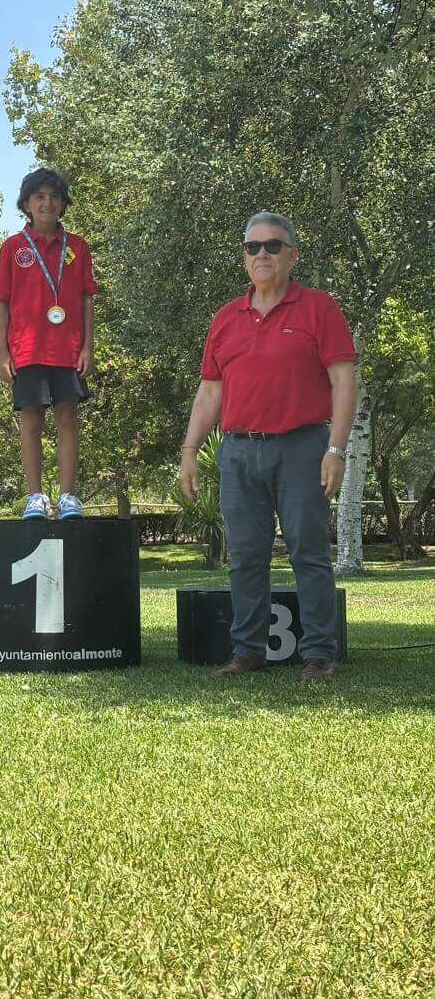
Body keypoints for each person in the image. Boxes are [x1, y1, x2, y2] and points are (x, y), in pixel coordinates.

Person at [179, 212, 357, 681]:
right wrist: (189, 451)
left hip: (303, 448)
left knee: (308, 553)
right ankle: (248, 651)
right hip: (238, 452)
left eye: (273, 246)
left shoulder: (319, 309)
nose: (262, 254)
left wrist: (336, 450)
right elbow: (209, 392)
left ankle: (318, 655)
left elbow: (344, 382)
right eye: (253, 246)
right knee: (245, 557)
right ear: (244, 257)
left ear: (292, 255)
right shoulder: (225, 318)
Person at [0, 168, 97, 519]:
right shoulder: (13, 248)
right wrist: (2, 352)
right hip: (27, 349)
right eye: (39, 197)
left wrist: (88, 347)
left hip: (68, 349)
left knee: (67, 417)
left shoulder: (78, 247)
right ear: (26, 204)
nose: (47, 203)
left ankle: (67, 496)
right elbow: (2, 301)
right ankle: (35, 496)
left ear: (63, 204)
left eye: (54, 197)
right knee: (31, 419)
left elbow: (86, 298)